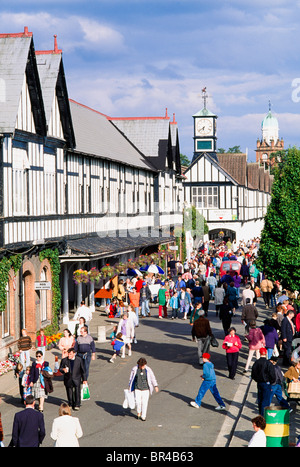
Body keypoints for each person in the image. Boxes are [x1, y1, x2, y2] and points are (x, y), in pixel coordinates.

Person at [251, 347, 276, 416]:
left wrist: (256, 379)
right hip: (267, 383)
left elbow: (253, 373)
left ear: (259, 352)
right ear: (266, 353)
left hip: (259, 383)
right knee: (266, 400)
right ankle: (264, 416)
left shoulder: (257, 362)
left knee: (260, 399)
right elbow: (272, 375)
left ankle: (260, 414)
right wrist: (271, 382)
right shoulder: (268, 363)